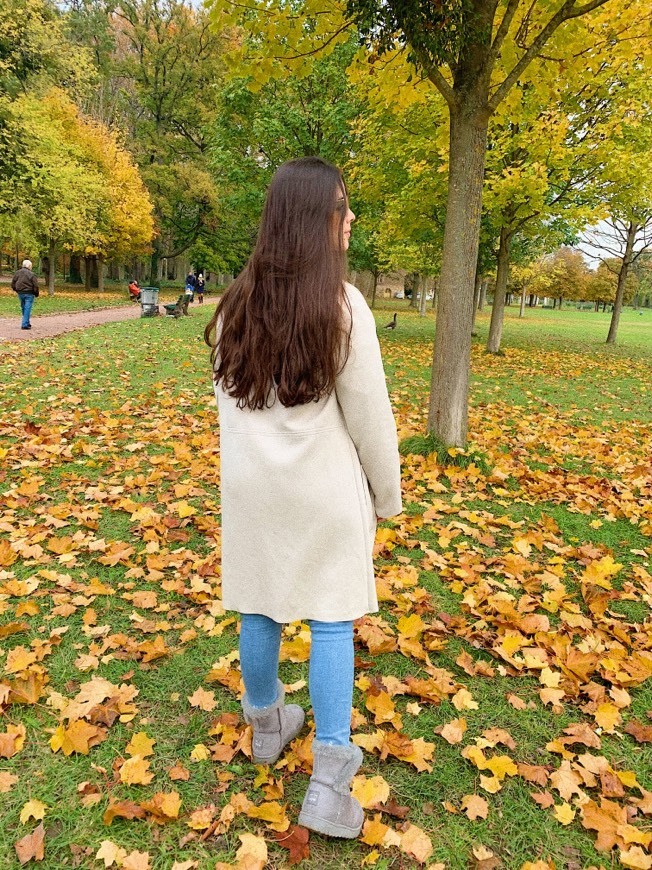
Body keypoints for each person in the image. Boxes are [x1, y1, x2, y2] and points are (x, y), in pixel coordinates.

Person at [205, 157, 402, 839]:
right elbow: (372, 418)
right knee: (331, 618)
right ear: (313, 221)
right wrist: (388, 496)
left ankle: (266, 725)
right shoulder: (343, 306)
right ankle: (327, 780)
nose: (350, 219)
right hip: (321, 493)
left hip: (255, 491)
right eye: (341, 207)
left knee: (259, 603)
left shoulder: (235, 305)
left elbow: (231, 404)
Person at [11, 259, 40, 330]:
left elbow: (13, 283)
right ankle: (24, 324)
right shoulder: (32, 274)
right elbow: (35, 285)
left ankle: (27, 322)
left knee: (24, 307)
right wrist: (36, 293)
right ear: (29, 266)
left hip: (20, 292)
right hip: (29, 293)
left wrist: (16, 289)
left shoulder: (17, 273)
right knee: (27, 308)